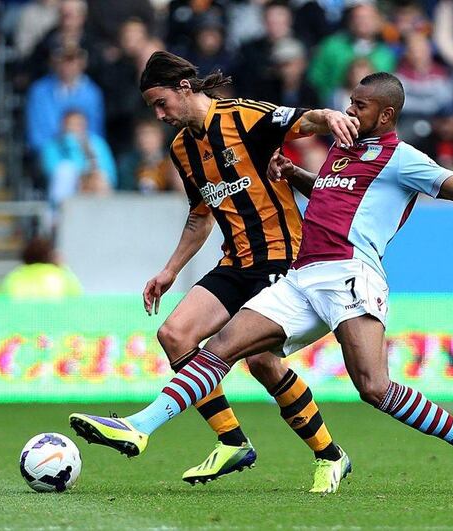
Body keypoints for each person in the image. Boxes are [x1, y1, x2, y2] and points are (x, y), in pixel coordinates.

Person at [71, 72, 453, 494]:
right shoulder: (342, 150)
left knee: (374, 388)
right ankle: (139, 427)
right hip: (303, 275)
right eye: (349, 102)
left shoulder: (400, 158)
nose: (350, 111)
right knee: (220, 348)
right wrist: (293, 174)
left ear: (385, 115)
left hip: (351, 274)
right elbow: (331, 199)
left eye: (360, 106)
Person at [70, 51, 360, 493]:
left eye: (161, 102)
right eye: (153, 107)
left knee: (262, 361)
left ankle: (330, 455)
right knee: (174, 335)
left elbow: (306, 120)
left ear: (185, 88)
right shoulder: (182, 149)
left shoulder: (245, 116)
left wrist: (334, 117)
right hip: (236, 263)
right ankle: (232, 441)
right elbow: (199, 215)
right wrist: (169, 270)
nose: (159, 114)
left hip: (284, 259)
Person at [0, 236, 83, 299]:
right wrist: (63, 267)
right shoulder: (62, 277)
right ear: (51, 256)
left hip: (20, 325)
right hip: (55, 325)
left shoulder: (12, 278)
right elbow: (77, 299)